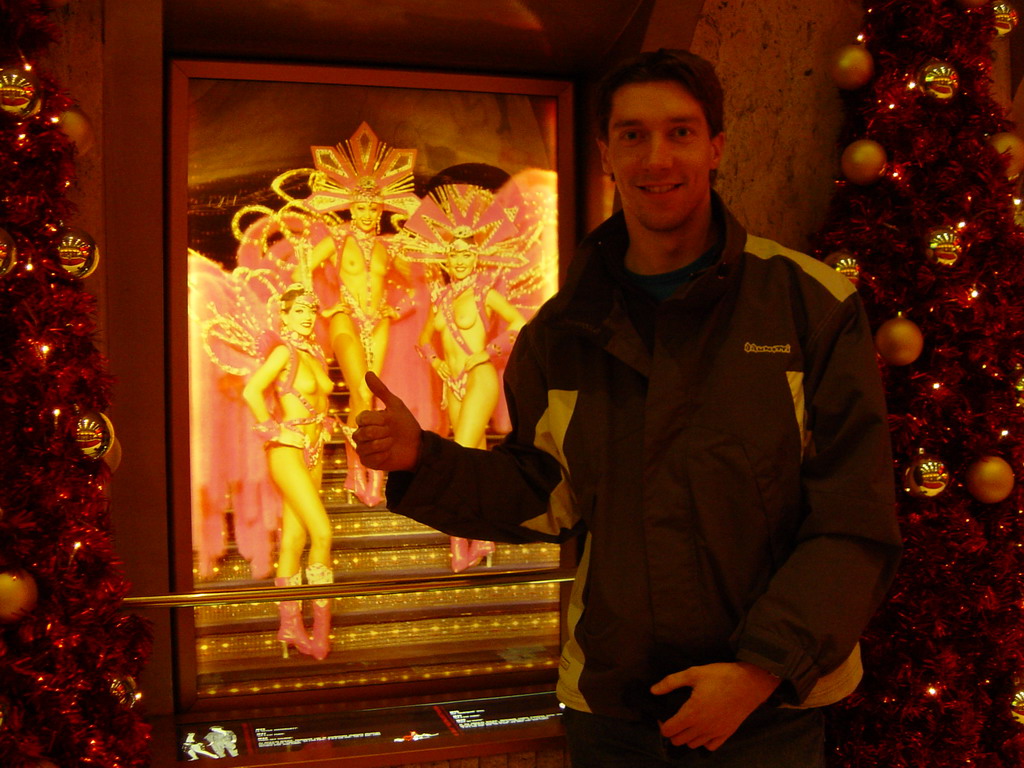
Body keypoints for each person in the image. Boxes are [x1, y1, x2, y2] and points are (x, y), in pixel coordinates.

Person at [352, 49, 901, 767]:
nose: (657, 157)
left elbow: (852, 521)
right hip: (615, 712)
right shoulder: (562, 328)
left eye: (679, 132)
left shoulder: (808, 306)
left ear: (716, 148)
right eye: (634, 135)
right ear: (608, 154)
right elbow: (545, 491)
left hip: (768, 711)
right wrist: (422, 459)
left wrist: (760, 671)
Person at [405, 182, 530, 571]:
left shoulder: (483, 291)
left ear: (477, 256)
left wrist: (485, 352)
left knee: (458, 457)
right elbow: (423, 341)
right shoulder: (441, 298)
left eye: (466, 253)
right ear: (446, 257)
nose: (460, 260)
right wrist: (437, 363)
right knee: (472, 460)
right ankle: (483, 538)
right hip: (453, 383)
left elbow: (519, 323)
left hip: (479, 377)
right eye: (454, 253)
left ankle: (461, 543)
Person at [303, 122, 421, 507]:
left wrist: (398, 305)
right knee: (358, 390)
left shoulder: (388, 247)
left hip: (379, 319)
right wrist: (324, 303)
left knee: (373, 393)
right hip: (345, 318)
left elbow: (418, 280)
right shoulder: (337, 238)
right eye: (362, 206)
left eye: (374, 206)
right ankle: (358, 472)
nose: (369, 212)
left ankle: (370, 468)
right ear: (351, 206)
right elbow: (303, 263)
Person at [242, 284, 336, 660]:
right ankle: (321, 633)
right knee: (324, 532)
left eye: (311, 310)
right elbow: (252, 392)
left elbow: (318, 400)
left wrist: (329, 425)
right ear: (283, 315)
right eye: (298, 311)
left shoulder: (315, 353)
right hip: (288, 451)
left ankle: (290, 626)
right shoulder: (284, 352)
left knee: (294, 540)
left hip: (315, 449)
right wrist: (274, 429)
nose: (307, 316)